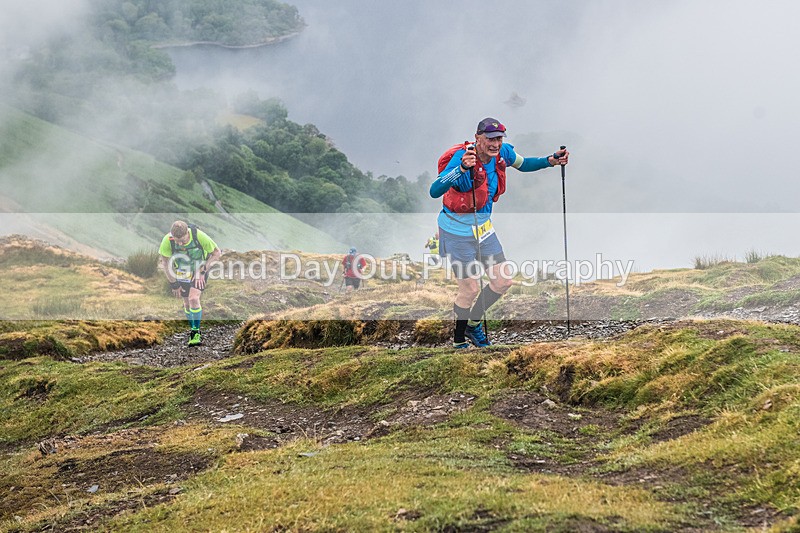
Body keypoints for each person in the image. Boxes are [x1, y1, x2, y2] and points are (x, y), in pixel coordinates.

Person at [430, 117, 569, 348]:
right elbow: (435, 190)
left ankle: (473, 326)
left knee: (503, 281)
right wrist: (461, 168)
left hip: (483, 230)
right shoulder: (463, 157)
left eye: (499, 139)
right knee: (470, 289)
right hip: (455, 232)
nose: (495, 144)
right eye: (490, 139)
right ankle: (458, 339)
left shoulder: (502, 153)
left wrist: (550, 161)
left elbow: (524, 164)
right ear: (478, 138)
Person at [159, 221, 221, 346]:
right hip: (182, 271)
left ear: (187, 232)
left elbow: (217, 253)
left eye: (183, 241)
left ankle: (195, 332)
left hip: (200, 269)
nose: (180, 244)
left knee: (193, 298)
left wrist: (203, 270)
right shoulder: (167, 240)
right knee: (187, 303)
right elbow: (165, 263)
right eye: (177, 241)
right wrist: (174, 283)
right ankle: (192, 327)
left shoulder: (199, 236)